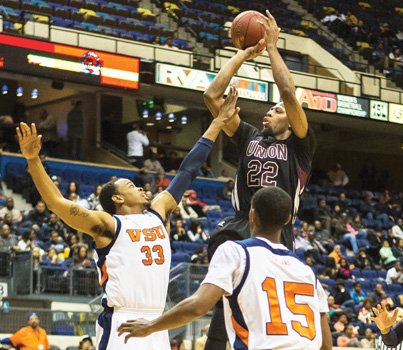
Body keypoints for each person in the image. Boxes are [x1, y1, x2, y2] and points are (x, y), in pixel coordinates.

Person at [15, 91, 237, 350]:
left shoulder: (158, 211)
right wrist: (33, 160)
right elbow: (57, 204)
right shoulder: (109, 225)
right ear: (118, 199)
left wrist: (217, 123)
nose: (142, 188)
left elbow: (188, 169)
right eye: (132, 186)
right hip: (123, 321)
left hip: (158, 320)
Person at [203, 11, 316, 349]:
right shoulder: (249, 135)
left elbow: (288, 93)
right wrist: (242, 54)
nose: (270, 111)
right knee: (224, 305)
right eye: (269, 109)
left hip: (280, 231)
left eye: (277, 110)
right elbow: (211, 97)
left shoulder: (301, 146)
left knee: (264, 305)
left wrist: (271, 48)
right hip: (241, 224)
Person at [117, 187, 332, 350]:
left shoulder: (236, 252)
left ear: (252, 215)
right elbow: (325, 345)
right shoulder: (307, 272)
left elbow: (198, 306)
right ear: (288, 220)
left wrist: (150, 326)